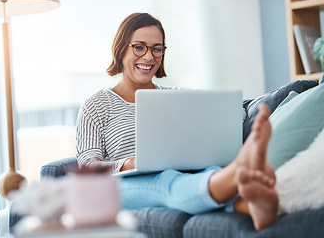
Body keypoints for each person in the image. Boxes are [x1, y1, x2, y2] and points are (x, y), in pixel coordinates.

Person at [76, 12, 278, 231]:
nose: (149, 56)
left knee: (206, 170)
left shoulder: (176, 97)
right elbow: (88, 168)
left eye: (157, 48)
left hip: (183, 173)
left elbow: (233, 113)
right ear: (121, 49)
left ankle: (249, 205)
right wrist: (131, 163)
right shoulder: (96, 106)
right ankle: (240, 172)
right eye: (140, 47)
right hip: (122, 186)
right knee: (165, 181)